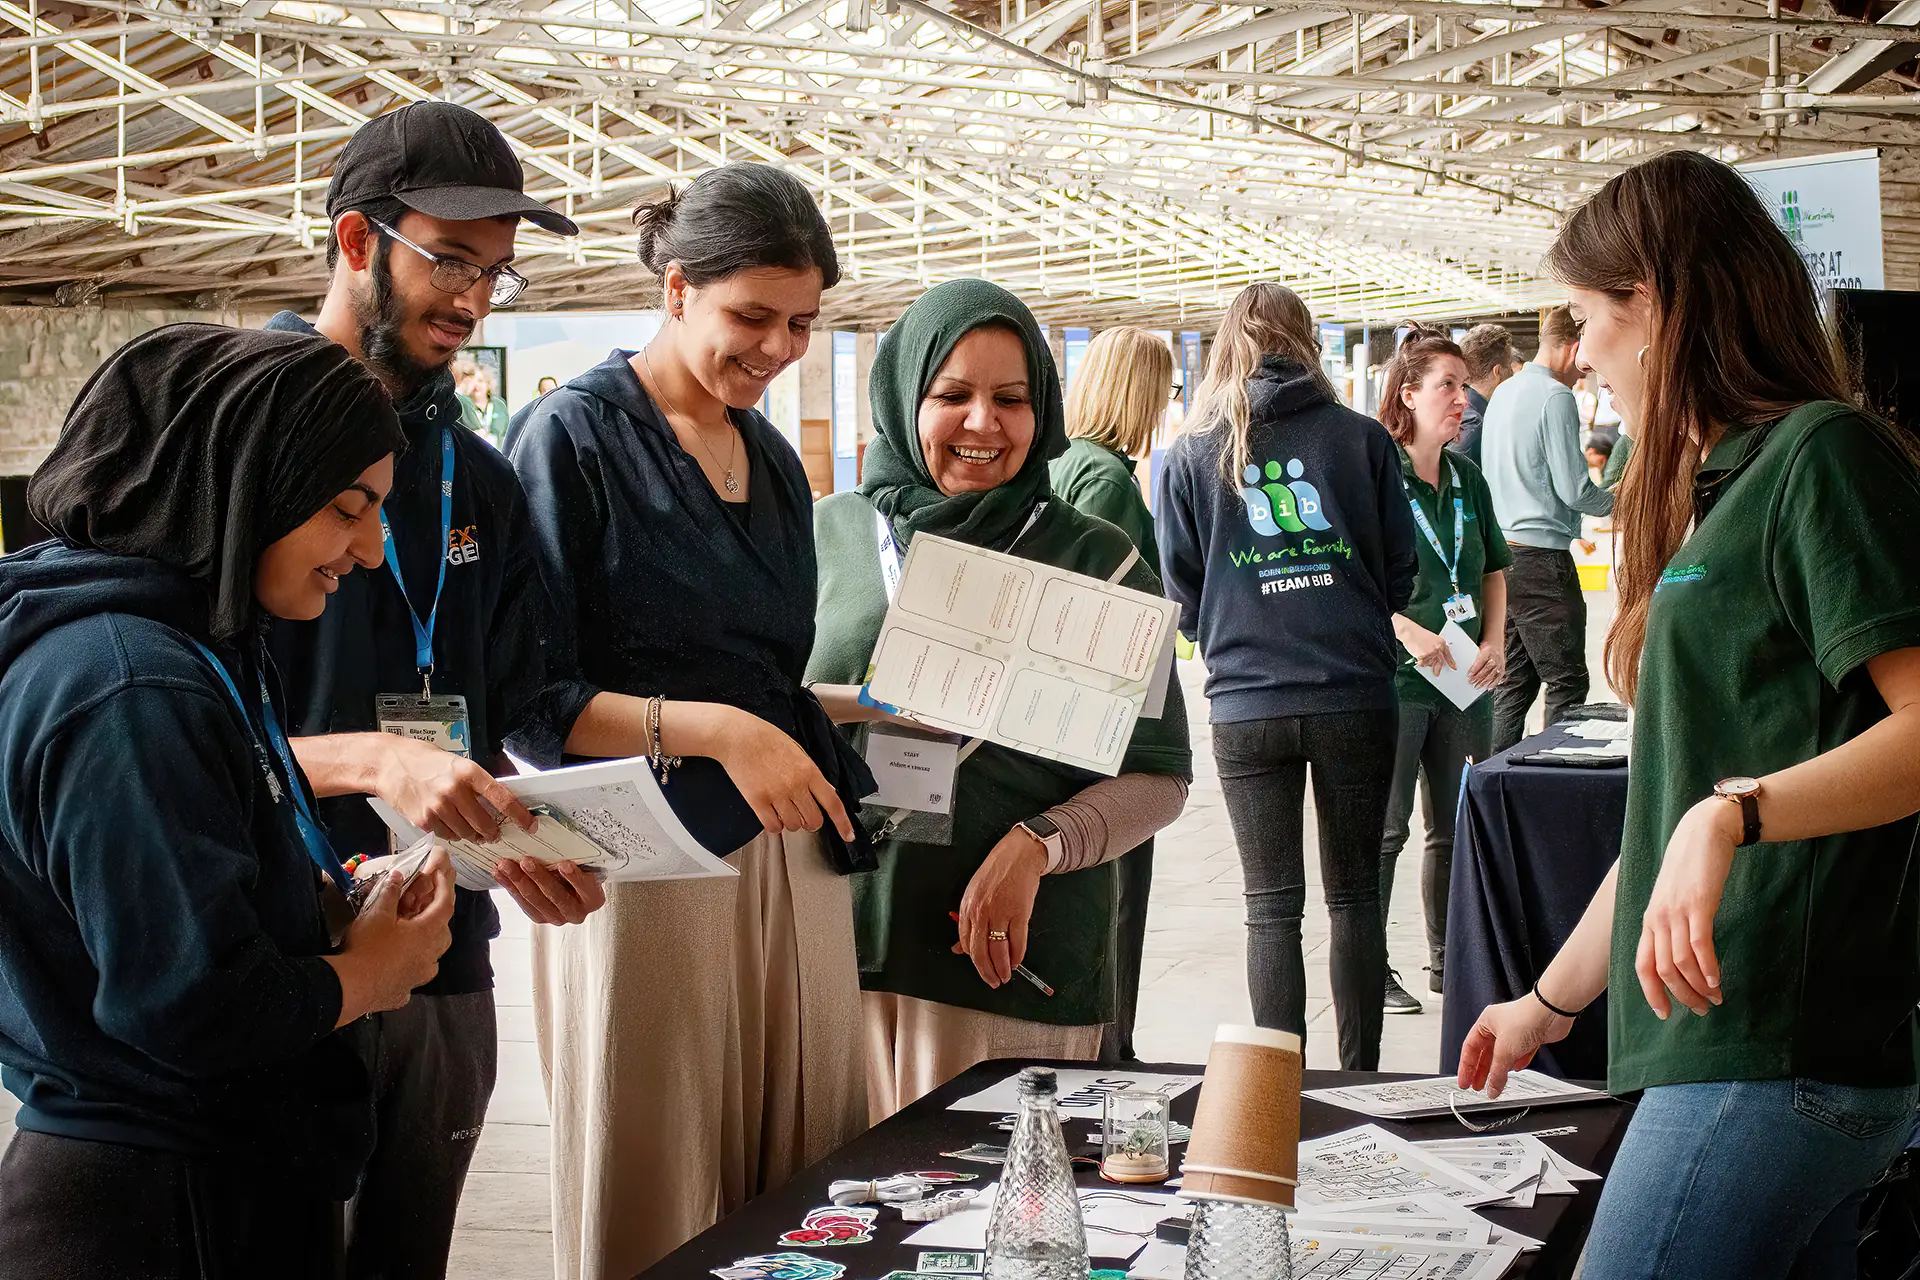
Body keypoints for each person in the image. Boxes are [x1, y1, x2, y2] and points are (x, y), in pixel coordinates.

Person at [1458, 150, 1920, 1280]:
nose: (1578, 356)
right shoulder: (1729, 486)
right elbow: (1670, 819)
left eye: (1585, 318)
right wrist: (1547, 999)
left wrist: (1733, 815)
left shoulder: (1821, 456)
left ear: (1654, 305)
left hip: (1781, 1049)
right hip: (1745, 1049)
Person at [0, 324, 455, 1278]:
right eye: (345, 509)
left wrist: (316, 907)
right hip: (160, 1214)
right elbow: (189, 1003)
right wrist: (373, 972)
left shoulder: (180, 647)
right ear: (242, 489)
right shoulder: (130, 688)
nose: (369, 550)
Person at [265, 100, 613, 1280]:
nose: (469, 300)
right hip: (269, 954)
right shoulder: (235, 436)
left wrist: (524, 838)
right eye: (449, 260)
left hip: (440, 953)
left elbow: (502, 713)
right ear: (357, 243)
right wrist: (367, 758)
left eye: (494, 275)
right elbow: (160, 729)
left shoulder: (482, 476)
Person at [509, 163, 875, 1279]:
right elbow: (536, 704)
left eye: (802, 324)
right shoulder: (567, 438)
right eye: (751, 317)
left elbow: (766, 672)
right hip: (642, 865)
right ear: (676, 290)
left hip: (791, 851)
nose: (776, 348)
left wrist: (850, 713)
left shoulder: (768, 452)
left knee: (812, 1176)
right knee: (656, 1181)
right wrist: (716, 729)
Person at [806, 278, 1192, 1117]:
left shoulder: (1100, 558)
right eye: (953, 395)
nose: (983, 423)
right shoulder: (829, 536)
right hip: (836, 957)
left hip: (1012, 965)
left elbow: (1161, 778)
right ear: (905, 395)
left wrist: (1038, 846)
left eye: (1010, 399)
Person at [1155, 282, 1418, 1071]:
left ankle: (1278, 1095)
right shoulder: (1361, 441)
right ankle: (1362, 1076)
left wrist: (1238, 639)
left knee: (1270, 909)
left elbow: (1182, 589)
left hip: (1246, 705)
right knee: (1355, 898)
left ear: (1226, 345)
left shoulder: (1194, 453)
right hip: (1353, 695)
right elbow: (1399, 572)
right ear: (1305, 341)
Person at [1047, 323, 1176, 1062]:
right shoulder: (1107, 481)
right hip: (1106, 730)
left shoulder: (1070, 464)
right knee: (1120, 893)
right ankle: (1112, 1045)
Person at [1373, 329, 1510, 1015]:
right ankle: (1371, 967)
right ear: (1407, 394)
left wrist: (1494, 640)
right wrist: (1407, 629)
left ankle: (1448, 962)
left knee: (1453, 828)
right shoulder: (1378, 475)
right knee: (1387, 829)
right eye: (1446, 386)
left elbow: (1492, 570)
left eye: (1464, 386)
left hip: (1464, 682)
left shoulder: (1467, 478)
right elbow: (1354, 577)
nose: (1462, 399)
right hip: (1399, 681)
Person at [1480, 304, 1615, 752]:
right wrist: (1620, 500)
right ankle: (1552, 785)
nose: (1589, 368)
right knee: (1567, 683)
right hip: (1540, 562)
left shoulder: (1503, 392)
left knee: (1512, 686)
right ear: (1575, 345)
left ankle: (1486, 791)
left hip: (1501, 560)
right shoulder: (1555, 397)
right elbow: (1574, 488)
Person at [1453, 323, 1516, 465]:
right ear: (1497, 372)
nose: (1512, 375)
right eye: (1510, 369)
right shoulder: (1476, 426)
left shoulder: (1458, 412)